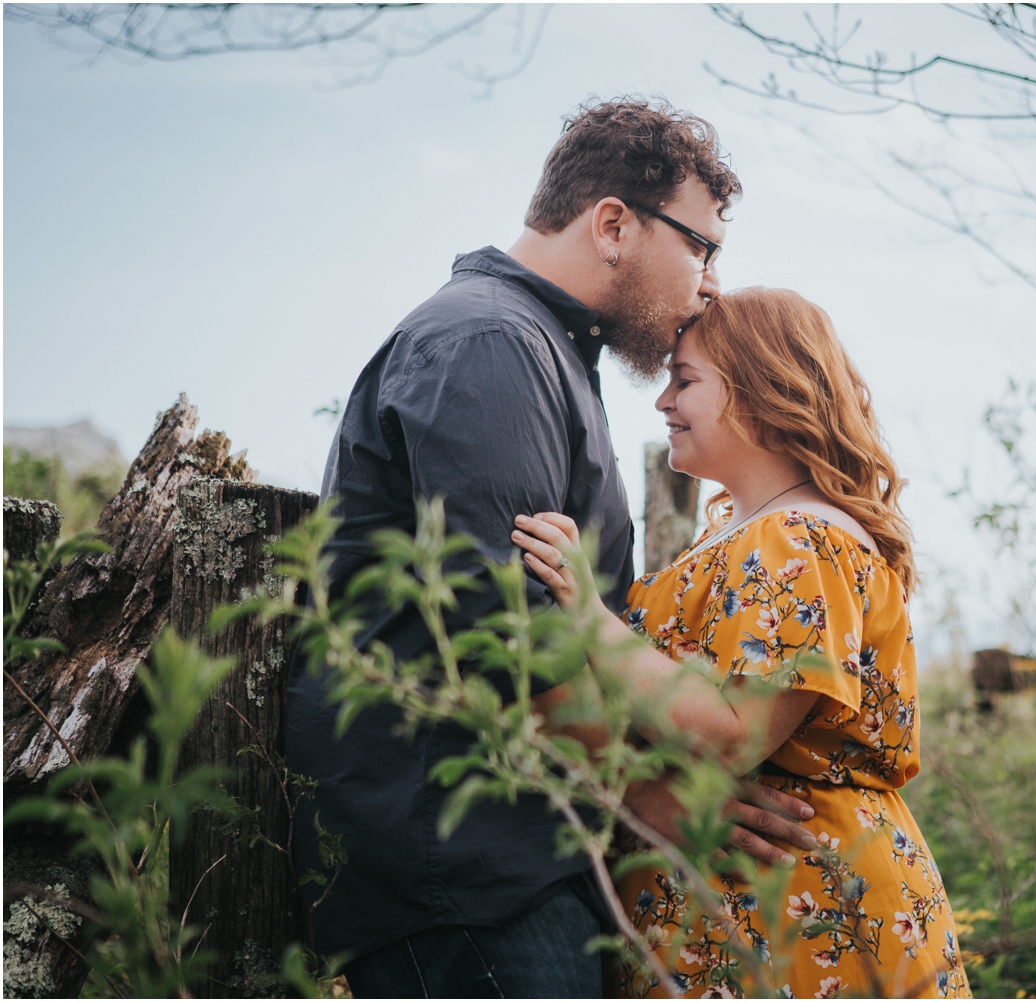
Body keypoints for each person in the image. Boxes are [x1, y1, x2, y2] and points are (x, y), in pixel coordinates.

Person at [288, 100, 818, 999]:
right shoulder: (491, 345)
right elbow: (509, 627)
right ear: (613, 224)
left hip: (518, 860)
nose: (712, 283)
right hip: (465, 870)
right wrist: (650, 800)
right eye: (701, 246)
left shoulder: (538, 348)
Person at [513, 288, 973, 999]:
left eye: (686, 380)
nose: (663, 401)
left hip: (800, 909)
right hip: (730, 906)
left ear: (763, 393)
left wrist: (588, 614)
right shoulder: (740, 536)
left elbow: (732, 732)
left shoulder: (801, 539)